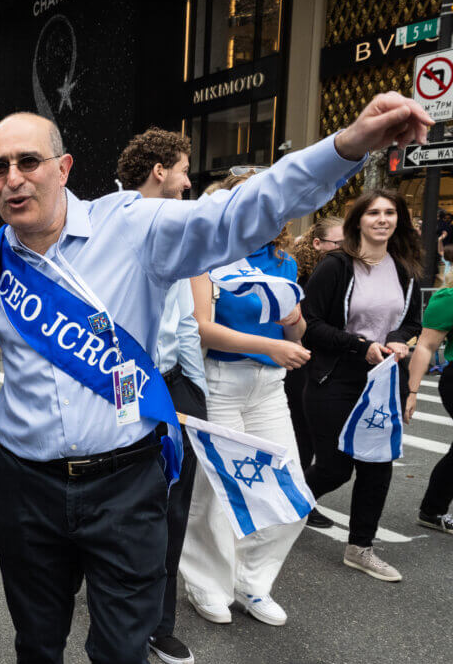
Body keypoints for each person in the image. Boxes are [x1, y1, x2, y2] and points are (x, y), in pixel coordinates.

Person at [0, 92, 428, 664]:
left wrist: (346, 146)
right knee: (37, 642)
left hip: (123, 482)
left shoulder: (135, 226)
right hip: (26, 485)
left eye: (28, 161)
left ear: (64, 167)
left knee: (120, 651)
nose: (12, 178)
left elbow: (241, 212)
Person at [178, 173, 310, 628]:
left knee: (292, 489)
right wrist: (272, 346)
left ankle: (251, 581)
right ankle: (206, 583)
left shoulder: (282, 261)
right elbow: (202, 328)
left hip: (270, 386)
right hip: (220, 382)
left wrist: (294, 324)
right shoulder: (208, 255)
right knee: (214, 495)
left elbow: (295, 330)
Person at [116, 127, 205, 664]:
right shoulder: (105, 225)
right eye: (184, 169)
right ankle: (114, 593)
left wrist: (195, 394)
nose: (189, 180)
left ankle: (159, 622)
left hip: (172, 383)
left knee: (174, 505)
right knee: (122, 496)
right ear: (159, 172)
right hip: (123, 378)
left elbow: (188, 323)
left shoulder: (183, 231)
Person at [302, 189, 423, 581]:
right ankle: (282, 510)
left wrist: (400, 339)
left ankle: (360, 548)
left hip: (384, 379)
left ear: (399, 220)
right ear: (359, 221)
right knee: (335, 468)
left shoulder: (403, 268)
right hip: (335, 376)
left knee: (377, 466)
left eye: (390, 212)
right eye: (373, 213)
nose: (382, 219)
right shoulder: (336, 265)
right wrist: (359, 346)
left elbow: (412, 321)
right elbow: (312, 326)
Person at [285, 216, 343, 492]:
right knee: (303, 434)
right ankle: (298, 498)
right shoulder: (300, 274)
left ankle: (302, 495)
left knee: (319, 438)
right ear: (317, 243)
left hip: (326, 363)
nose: (346, 248)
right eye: (339, 243)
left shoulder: (345, 271)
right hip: (301, 361)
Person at [404, 285, 453, 533]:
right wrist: (412, 392)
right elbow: (425, 346)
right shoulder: (449, 299)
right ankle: (432, 510)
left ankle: (432, 509)